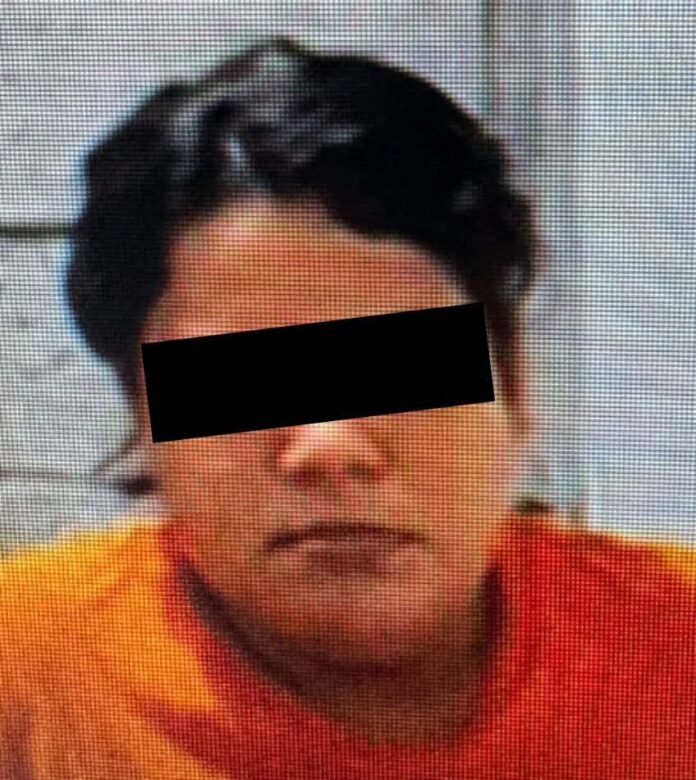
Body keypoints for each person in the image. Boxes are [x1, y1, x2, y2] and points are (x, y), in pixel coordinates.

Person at [0, 36, 694, 779]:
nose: (330, 446)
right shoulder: (27, 680)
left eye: (401, 365)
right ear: (142, 418)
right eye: (245, 381)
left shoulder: (675, 651)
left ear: (516, 388)